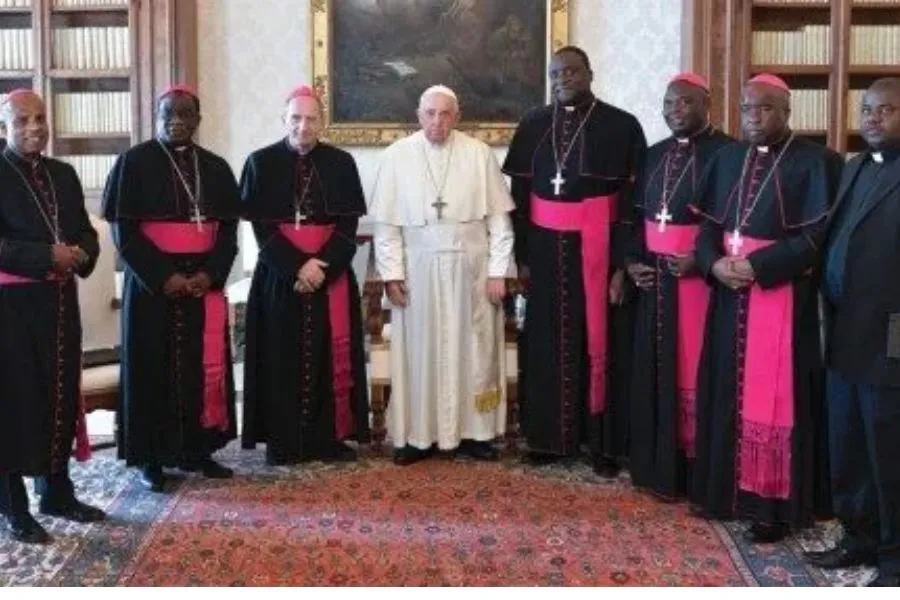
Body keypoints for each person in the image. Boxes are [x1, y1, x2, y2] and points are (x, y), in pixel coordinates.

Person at [688, 74, 842, 543]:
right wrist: (713, 264)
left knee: (776, 399)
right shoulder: (727, 158)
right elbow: (707, 230)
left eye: (765, 108)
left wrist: (757, 266)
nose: (753, 117)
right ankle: (722, 493)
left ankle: (770, 506)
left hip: (781, 297)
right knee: (724, 389)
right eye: (746, 109)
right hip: (727, 294)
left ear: (786, 111)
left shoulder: (817, 162)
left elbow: (816, 239)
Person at [502, 46, 647, 475]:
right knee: (545, 341)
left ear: (589, 73)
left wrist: (621, 264)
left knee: (602, 343)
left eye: (571, 71)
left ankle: (603, 444)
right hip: (544, 251)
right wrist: (522, 258)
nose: (562, 79)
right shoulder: (533, 124)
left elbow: (631, 203)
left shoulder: (621, 125)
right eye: (555, 73)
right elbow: (519, 199)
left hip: (599, 247)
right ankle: (548, 440)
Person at [102, 85, 240, 492]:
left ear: (198, 119)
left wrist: (209, 275)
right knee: (152, 369)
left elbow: (227, 232)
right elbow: (125, 233)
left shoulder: (215, 167)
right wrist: (164, 277)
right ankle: (152, 459)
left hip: (201, 285)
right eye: (168, 113)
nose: (176, 121)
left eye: (185, 114)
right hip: (152, 289)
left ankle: (199, 449)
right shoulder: (133, 163)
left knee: (201, 369)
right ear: (156, 116)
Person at [370, 85, 514, 466]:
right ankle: (418, 436)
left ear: (457, 116)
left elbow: (500, 224)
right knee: (420, 354)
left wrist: (498, 272)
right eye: (430, 113)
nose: (438, 121)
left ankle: (477, 433)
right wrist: (392, 275)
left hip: (473, 271)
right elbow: (386, 229)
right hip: (417, 273)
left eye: (446, 113)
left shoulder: (479, 154)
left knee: (475, 352)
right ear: (418, 115)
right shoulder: (396, 156)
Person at [240, 86, 370, 464]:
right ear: (284, 119)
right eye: (296, 118)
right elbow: (262, 229)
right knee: (279, 356)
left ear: (322, 122)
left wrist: (320, 266)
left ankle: (328, 438)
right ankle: (283, 441)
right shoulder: (261, 163)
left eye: (311, 119)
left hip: (330, 274)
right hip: (280, 276)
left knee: (329, 355)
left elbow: (348, 227)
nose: (303, 126)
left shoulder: (341, 163)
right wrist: (297, 266)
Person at [805, 77, 900, 587]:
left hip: (890, 341)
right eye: (866, 109)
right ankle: (858, 538)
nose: (872, 118)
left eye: (886, 110)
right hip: (844, 334)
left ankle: (894, 559)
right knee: (849, 446)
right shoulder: (855, 166)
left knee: (890, 454)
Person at [0, 90, 105, 544]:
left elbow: (84, 229)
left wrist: (82, 254)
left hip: (59, 305)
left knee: (58, 397)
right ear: (4, 126)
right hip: (11, 311)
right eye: (22, 120)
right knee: (13, 404)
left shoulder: (63, 173)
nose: (34, 127)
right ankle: (13, 508)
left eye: (40, 118)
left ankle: (56, 493)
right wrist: (47, 256)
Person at [626, 73, 733, 500]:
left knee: (693, 369)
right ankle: (657, 466)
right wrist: (632, 262)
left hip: (698, 282)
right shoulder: (654, 154)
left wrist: (700, 260)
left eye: (686, 102)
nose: (676, 111)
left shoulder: (727, 153)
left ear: (707, 104)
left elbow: (733, 223)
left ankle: (694, 470)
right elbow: (636, 217)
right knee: (657, 368)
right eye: (669, 103)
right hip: (655, 279)